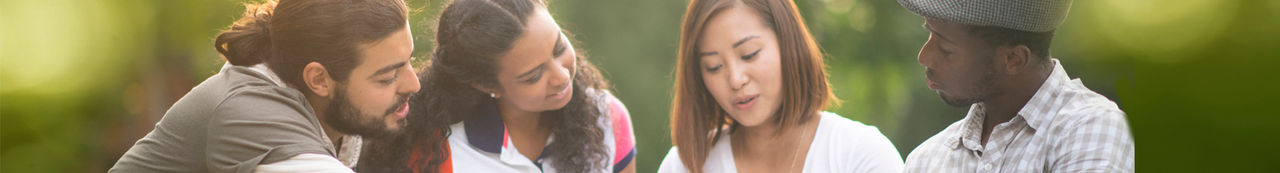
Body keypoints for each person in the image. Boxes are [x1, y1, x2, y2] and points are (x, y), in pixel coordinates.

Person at [108, 0, 419, 172]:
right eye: (387, 76)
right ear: (319, 80)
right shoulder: (247, 111)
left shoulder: (328, 104)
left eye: (409, 61)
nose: (413, 83)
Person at [357, 0, 636, 172]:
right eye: (533, 76)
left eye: (559, 47)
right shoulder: (432, 152)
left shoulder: (607, 116)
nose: (561, 76)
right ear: (486, 84)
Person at [658, 0, 904, 172]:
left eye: (749, 54)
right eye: (713, 66)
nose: (735, 79)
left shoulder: (860, 153)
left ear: (788, 43)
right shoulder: (684, 166)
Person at [894, 0, 1135, 172]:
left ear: (1013, 59)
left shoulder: (1091, 128)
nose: (924, 57)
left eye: (947, 49)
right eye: (929, 35)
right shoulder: (927, 160)